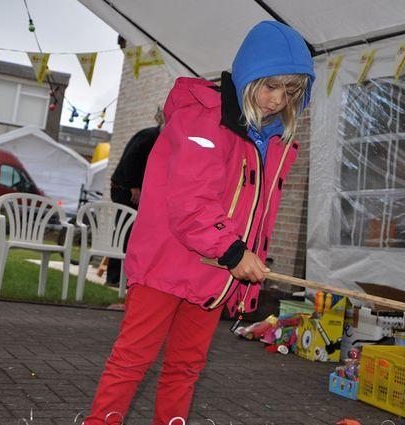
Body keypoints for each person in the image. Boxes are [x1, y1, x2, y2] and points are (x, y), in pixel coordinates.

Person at [84, 20, 315, 425]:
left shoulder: (273, 140)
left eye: (291, 91)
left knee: (186, 367)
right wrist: (234, 251)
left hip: (214, 273)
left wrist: (247, 258)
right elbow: (190, 201)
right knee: (132, 359)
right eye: (270, 86)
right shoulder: (203, 119)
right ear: (249, 75)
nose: (278, 99)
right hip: (167, 264)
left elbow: (256, 210)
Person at [105, 108, 163, 286]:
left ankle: (127, 275)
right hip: (125, 190)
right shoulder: (148, 137)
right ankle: (114, 277)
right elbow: (130, 160)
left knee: (132, 233)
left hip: (133, 190)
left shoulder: (157, 138)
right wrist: (133, 186)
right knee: (124, 232)